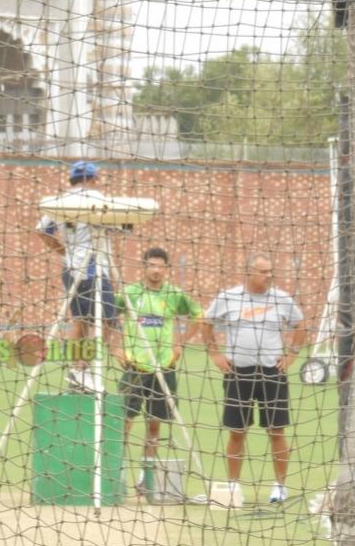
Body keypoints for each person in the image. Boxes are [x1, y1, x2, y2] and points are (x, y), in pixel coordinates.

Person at [201, 252, 306, 506]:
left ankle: (280, 487)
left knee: (276, 431)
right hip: (238, 373)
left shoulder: (281, 299)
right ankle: (234, 487)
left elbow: (300, 325)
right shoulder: (229, 297)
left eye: (270, 271)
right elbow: (206, 322)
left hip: (272, 373)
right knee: (237, 431)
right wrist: (215, 353)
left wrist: (291, 355)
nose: (268, 276)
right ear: (249, 272)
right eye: (263, 272)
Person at [112, 247, 203, 498]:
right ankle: (116, 475)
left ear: (166, 269)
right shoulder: (130, 293)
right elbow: (107, 314)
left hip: (164, 368)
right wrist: (115, 347)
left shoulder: (174, 294)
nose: (155, 270)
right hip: (135, 367)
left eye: (160, 266)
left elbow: (199, 315)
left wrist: (180, 343)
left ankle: (145, 478)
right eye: (151, 265)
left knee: (154, 426)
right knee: (123, 423)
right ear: (144, 267)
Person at [36, 160, 117, 393]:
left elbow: (41, 230)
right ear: (92, 179)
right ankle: (82, 368)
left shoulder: (60, 201)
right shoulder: (97, 198)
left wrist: (64, 251)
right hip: (93, 268)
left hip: (71, 269)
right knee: (108, 320)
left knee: (81, 320)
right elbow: (120, 226)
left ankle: (77, 370)